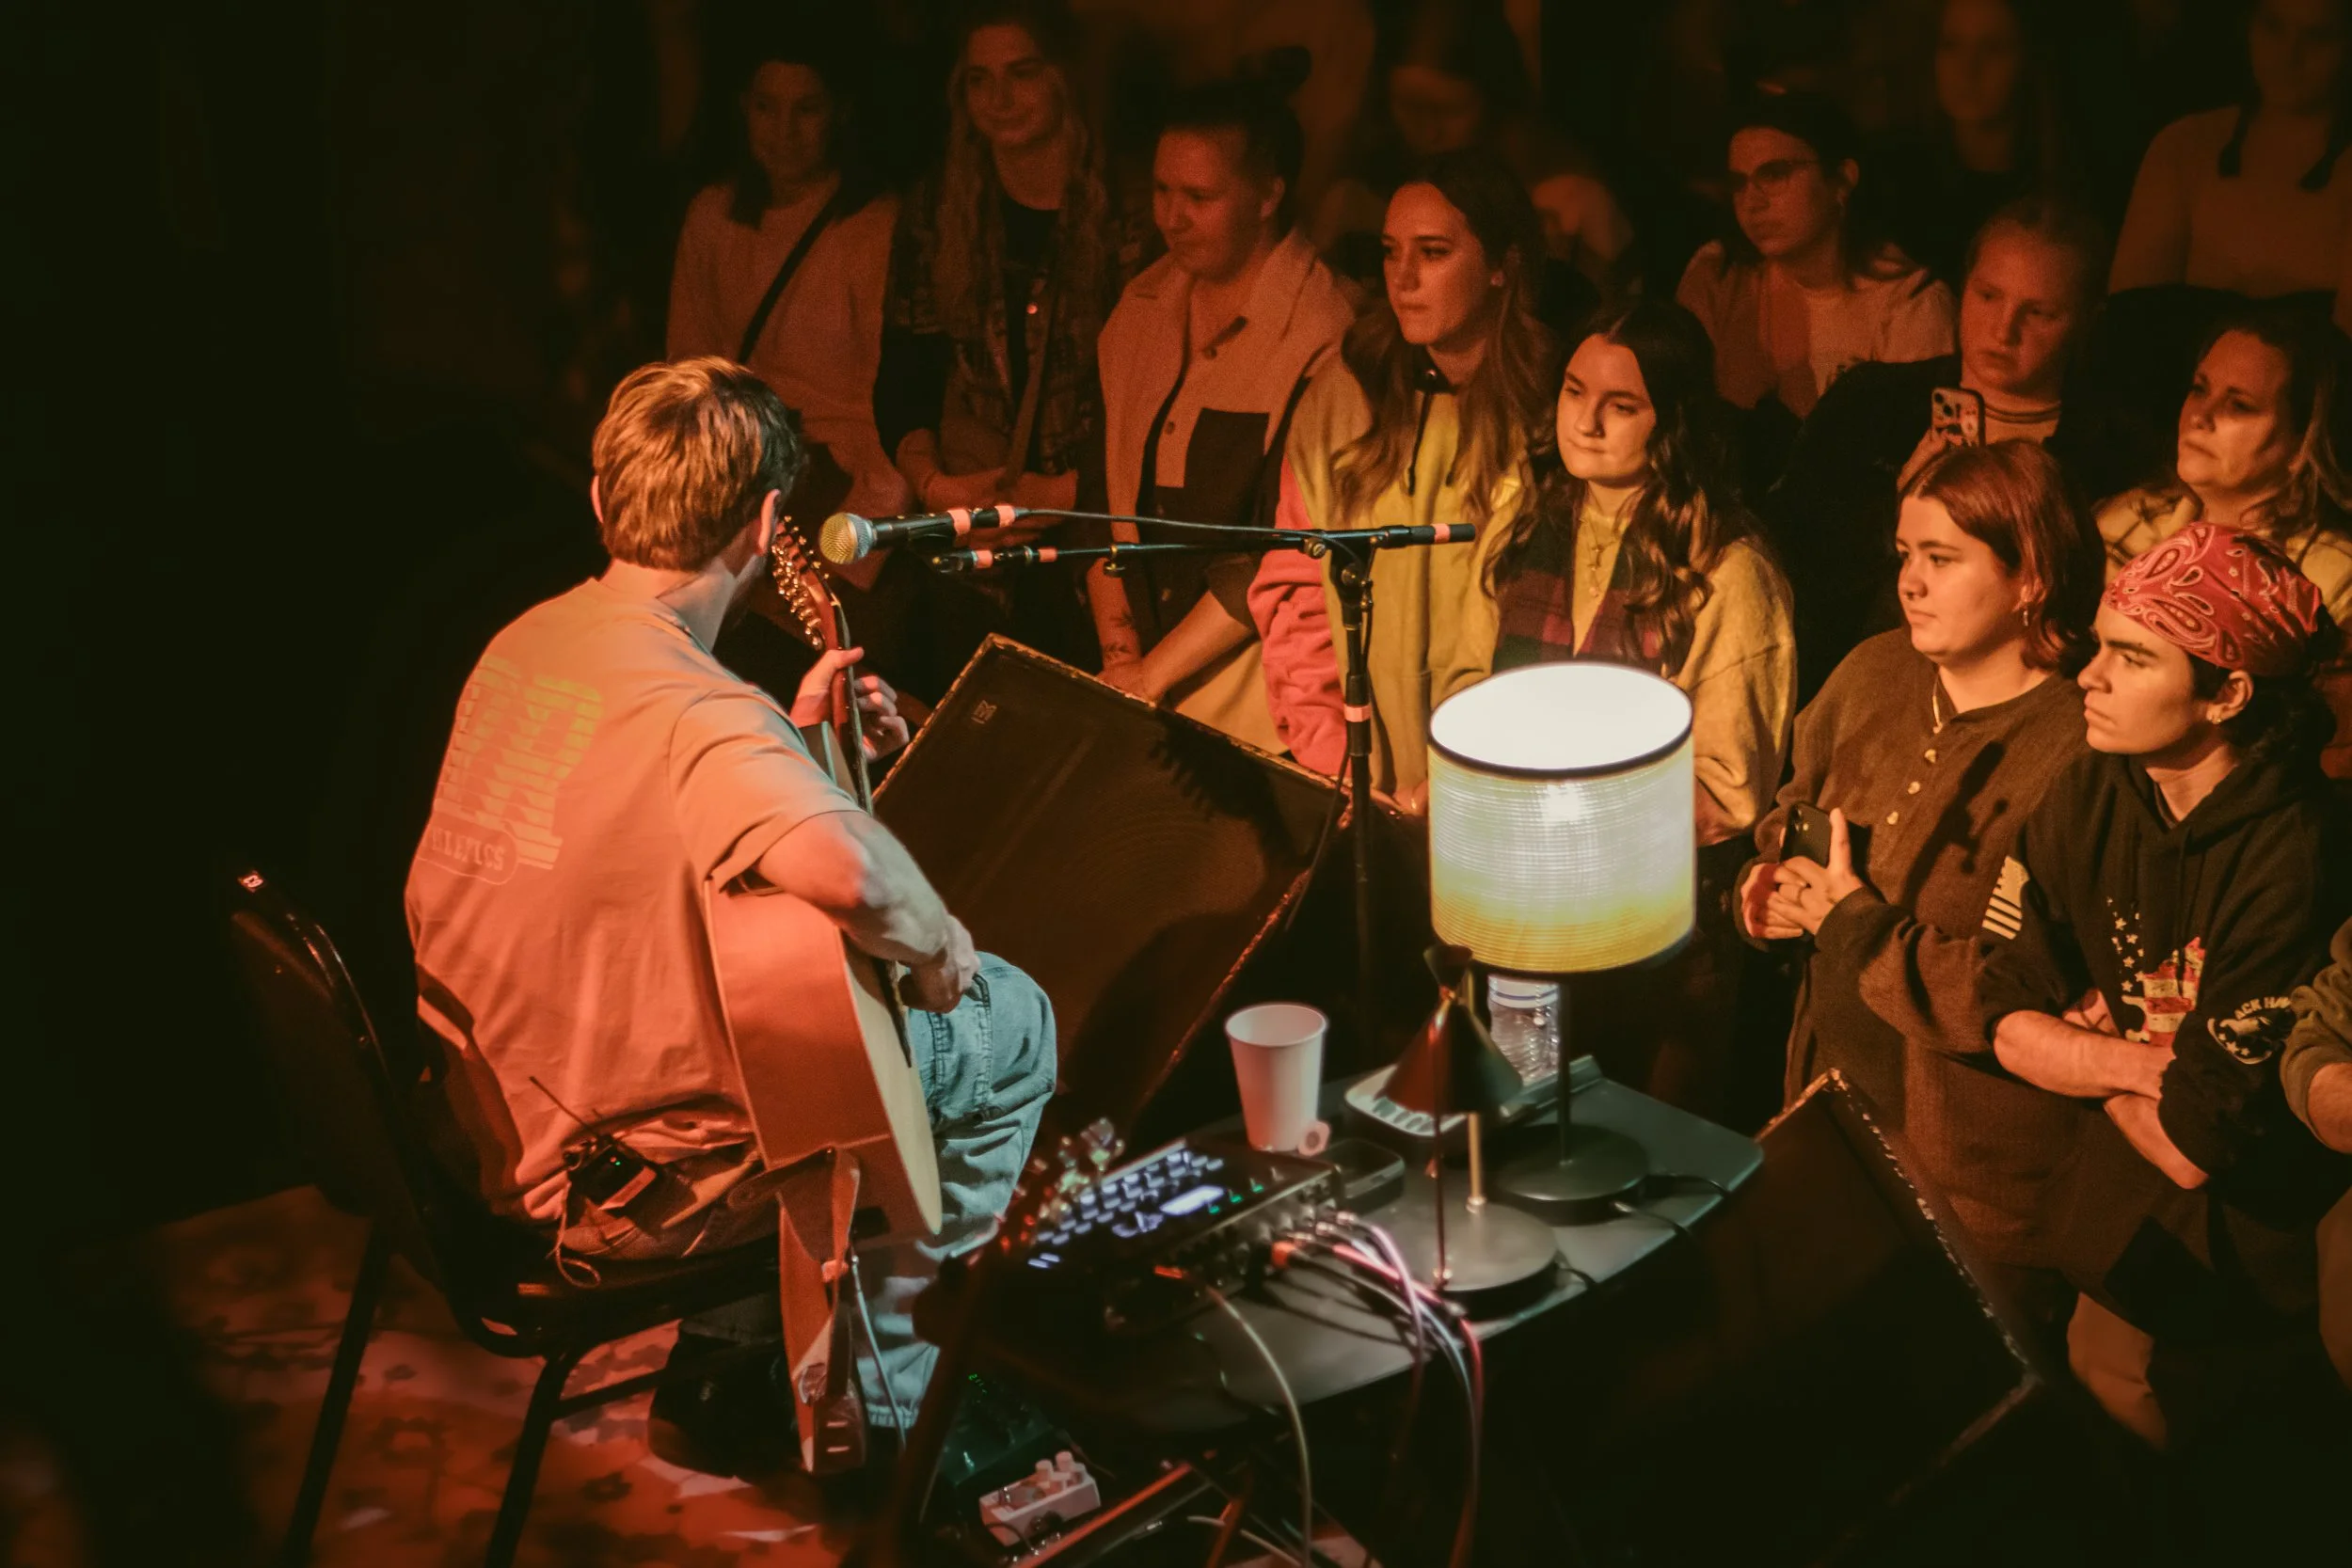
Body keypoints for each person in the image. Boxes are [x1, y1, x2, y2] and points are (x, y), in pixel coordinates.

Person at [404, 360, 1056, 1474]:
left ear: (605, 504)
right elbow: (854, 881)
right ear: (765, 524)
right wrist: (946, 944)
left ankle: (728, 1363)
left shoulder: (529, 641)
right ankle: (907, 1407)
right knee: (1008, 1023)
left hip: (481, 1132)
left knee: (779, 1027)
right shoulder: (700, 714)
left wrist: (793, 747)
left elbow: (633, 843)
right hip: (619, 1201)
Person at [1977, 522, 2351, 1448]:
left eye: (2131, 656)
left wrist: (2082, 1053)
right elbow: (1997, 1004)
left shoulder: (2296, 852)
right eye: (2101, 644)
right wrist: (2144, 1062)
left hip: (2242, 1277)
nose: (2087, 675)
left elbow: (2199, 1140)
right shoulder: (2091, 788)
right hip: (2117, 1234)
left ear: (2225, 692)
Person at [1743, 442, 2101, 1297]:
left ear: (2031, 579)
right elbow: (1786, 820)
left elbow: (2023, 991)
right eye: (1906, 554)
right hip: (1828, 1128)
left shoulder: (2079, 750)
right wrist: (1760, 894)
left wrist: (1852, 921)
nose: (1910, 581)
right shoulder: (1872, 672)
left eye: (1942, 559)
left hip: (1975, 1195)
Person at [1455, 297, 1794, 1114]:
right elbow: (1469, 679)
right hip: (1523, 919)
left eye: (1621, 404)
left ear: (1669, 420)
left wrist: (1564, 806)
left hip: (1659, 946)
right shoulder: (1523, 519)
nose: (1588, 422)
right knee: (1528, 1140)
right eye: (1574, 392)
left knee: (1634, 1161)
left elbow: (1726, 792)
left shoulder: (1726, 567)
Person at [1248, 150, 1554, 795]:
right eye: (1390, 252)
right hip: (1368, 790)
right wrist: (1338, 757)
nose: (1403, 278)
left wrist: (1479, 776)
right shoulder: (1346, 391)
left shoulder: (1553, 408)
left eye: (1434, 252)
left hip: (1499, 787)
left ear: (1502, 265)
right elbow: (1296, 588)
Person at [1079, 80, 1356, 749]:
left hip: (1259, 718)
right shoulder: (1140, 310)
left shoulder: (1324, 335)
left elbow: (1271, 550)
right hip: (1145, 685)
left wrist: (1149, 674)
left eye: (1199, 197)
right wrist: (1122, 660)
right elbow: (1101, 500)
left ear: (1269, 195)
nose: (1170, 217)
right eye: (1161, 192)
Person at [876, 0, 1147, 672]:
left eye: (1021, 72)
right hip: (973, 535)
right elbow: (906, 366)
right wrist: (936, 484)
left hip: (1092, 539)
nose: (998, 98)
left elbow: (1150, 391)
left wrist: (1064, 492)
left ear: (1062, 78)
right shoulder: (942, 205)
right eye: (978, 79)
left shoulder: (1128, 206)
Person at [1766, 197, 2111, 694]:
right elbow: (1791, 563)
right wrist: (1897, 517)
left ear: (2085, 321)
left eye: (2039, 312)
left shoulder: (2105, 453)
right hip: (1854, 688)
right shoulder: (1873, 405)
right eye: (1988, 296)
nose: (2003, 330)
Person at [665, 23, 905, 525]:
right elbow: (689, 364)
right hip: (740, 471)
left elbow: (891, 398)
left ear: (839, 113)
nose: (784, 131)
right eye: (766, 108)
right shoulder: (715, 215)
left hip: (842, 482)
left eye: (806, 110)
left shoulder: (876, 227)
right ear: (744, 109)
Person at [1309, 0, 1634, 304]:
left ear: (1494, 102)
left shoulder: (1569, 205)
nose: (1429, 131)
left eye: (1451, 110)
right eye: (1409, 107)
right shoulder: (1354, 206)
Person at [1677, 92, 1956, 425]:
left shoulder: (1909, 303)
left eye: (1775, 174)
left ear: (1842, 179)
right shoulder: (1720, 275)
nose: (1751, 202)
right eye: (1739, 183)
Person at [2096, 300, 2352, 621]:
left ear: (2303, 443)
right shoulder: (2128, 520)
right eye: (2199, 389)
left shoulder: (2330, 583)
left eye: (2239, 406)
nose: (2200, 417)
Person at [2109, 0, 2352, 332]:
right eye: (2273, 27)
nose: (2290, 54)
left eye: (2319, 36)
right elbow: (2130, 320)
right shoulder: (2185, 146)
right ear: (2248, 25)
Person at [1874, 0, 2074, 288]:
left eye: (1993, 48)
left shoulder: (2057, 196)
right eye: (1952, 45)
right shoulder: (1894, 181)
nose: (1968, 68)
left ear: (2029, 61)